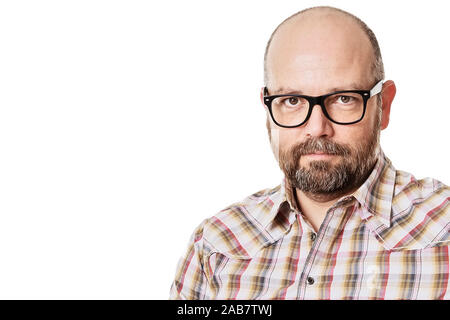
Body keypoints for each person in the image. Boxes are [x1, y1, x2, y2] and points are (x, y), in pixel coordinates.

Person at [169, 6, 450, 300]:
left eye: (344, 98)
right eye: (292, 101)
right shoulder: (215, 246)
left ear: (384, 106)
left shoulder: (444, 232)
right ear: (268, 108)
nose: (317, 128)